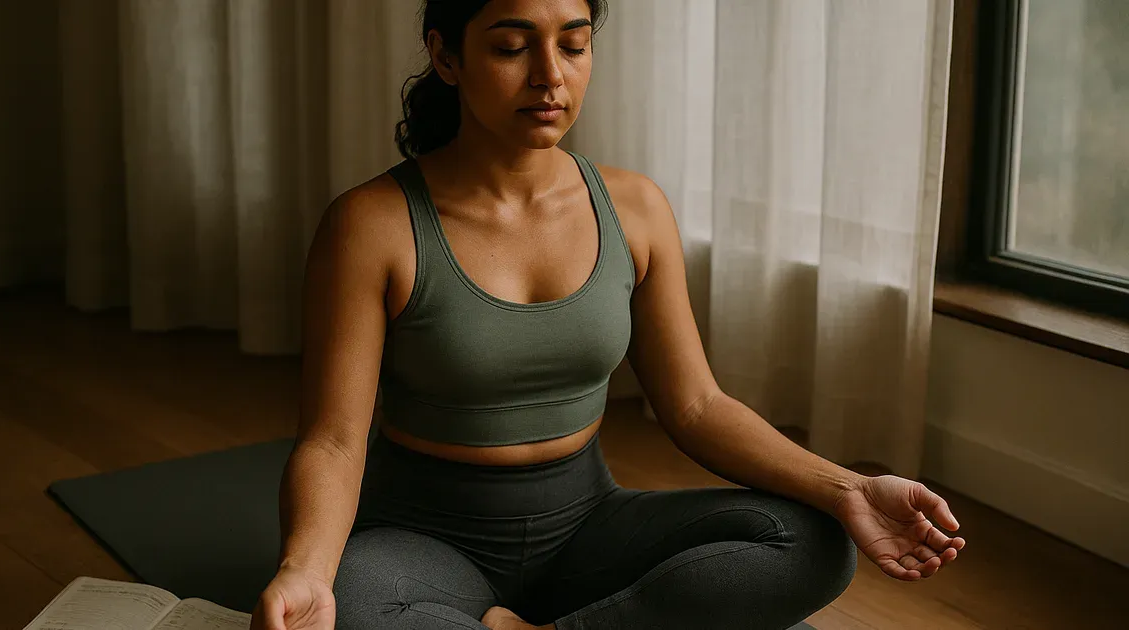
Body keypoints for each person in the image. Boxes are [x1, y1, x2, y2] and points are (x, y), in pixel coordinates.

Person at [250, 0, 966, 628]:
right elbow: (334, 441)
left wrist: (851, 489)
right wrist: (305, 570)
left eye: (573, 44)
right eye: (511, 47)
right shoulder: (371, 223)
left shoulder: (635, 208)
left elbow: (696, 406)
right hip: (423, 542)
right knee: (355, 606)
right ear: (446, 56)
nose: (549, 75)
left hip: (588, 527)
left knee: (812, 542)